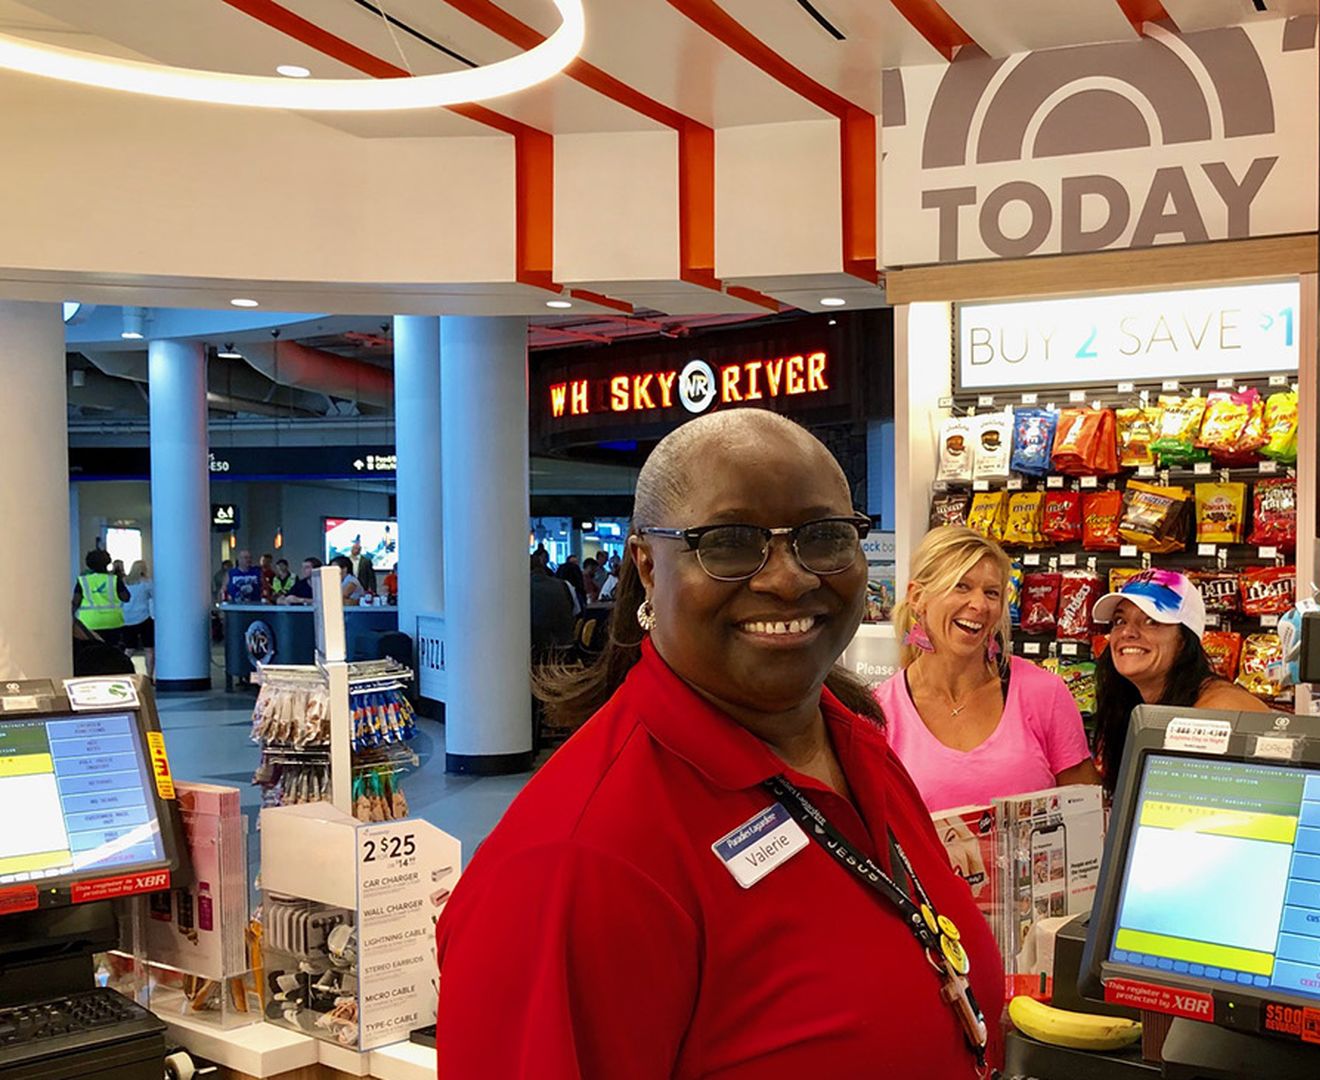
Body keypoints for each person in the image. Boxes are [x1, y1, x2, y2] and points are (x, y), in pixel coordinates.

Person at [439, 409, 999, 1078]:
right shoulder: (575, 862)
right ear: (648, 565)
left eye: (823, 536)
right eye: (730, 542)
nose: (789, 578)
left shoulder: (858, 746)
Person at [875, 525, 1097, 812]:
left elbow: (1087, 814)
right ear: (917, 597)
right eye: (961, 586)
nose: (980, 605)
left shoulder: (1044, 693)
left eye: (991, 593)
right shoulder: (880, 712)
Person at [1088, 569, 1269, 795]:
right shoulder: (1135, 706)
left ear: (1184, 640)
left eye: (1151, 621)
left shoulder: (1218, 711)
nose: (1127, 632)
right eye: (1119, 620)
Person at [73, 548, 129, 647]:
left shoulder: (83, 580)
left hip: (89, 622)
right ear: (108, 562)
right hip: (113, 621)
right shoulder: (114, 579)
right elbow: (126, 598)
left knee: (92, 650)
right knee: (112, 650)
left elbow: (75, 602)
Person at [529, 551, 575, 654]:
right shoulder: (562, 585)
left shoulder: (525, 588)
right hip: (567, 645)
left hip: (539, 649)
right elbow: (575, 610)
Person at [120, 560, 155, 673]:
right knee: (149, 649)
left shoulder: (124, 582)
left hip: (127, 618)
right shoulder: (147, 583)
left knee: (129, 649)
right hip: (144, 617)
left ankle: (122, 670)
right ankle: (149, 675)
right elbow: (155, 596)